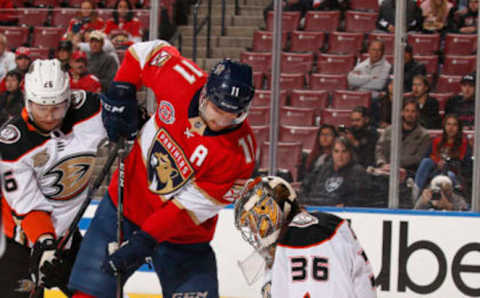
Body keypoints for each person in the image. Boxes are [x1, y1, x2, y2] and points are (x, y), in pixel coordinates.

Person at [67, 40, 257, 297]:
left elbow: (184, 210)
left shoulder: (239, 155)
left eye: (230, 116)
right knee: (87, 293)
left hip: (184, 237)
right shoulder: (183, 79)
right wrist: (122, 90)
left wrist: (143, 242)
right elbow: (145, 52)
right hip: (125, 205)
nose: (219, 121)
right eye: (216, 109)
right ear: (205, 93)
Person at [0, 59, 107, 297]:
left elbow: (120, 113)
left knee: (94, 292)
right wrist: (45, 244)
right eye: (41, 108)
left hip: (67, 236)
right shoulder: (11, 144)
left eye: (57, 107)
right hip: (20, 243)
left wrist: (130, 117)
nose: (49, 116)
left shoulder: (88, 110)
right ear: (28, 101)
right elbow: (27, 207)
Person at [234, 176, 377, 298]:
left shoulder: (304, 236)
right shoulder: (329, 225)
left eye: (254, 224)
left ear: (271, 214)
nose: (255, 234)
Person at [412, 114, 472, 199]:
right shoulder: (437, 141)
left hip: (454, 174)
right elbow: (427, 157)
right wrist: (437, 163)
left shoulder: (464, 143)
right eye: (448, 124)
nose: (451, 127)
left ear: (459, 127)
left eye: (454, 125)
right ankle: (415, 193)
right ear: (444, 126)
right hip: (436, 172)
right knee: (426, 161)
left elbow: (466, 165)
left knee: (450, 175)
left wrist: (448, 164)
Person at [301, 137, 370, 207]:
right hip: (314, 206)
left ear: (350, 153)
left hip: (339, 212)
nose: (340, 156)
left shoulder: (358, 171)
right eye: (336, 151)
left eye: (344, 151)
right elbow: (305, 187)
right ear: (332, 153)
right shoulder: (322, 168)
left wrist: (347, 205)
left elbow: (361, 197)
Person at [375, 98, 431, 175]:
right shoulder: (389, 130)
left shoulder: (424, 135)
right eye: (407, 111)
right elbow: (380, 149)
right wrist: (382, 163)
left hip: (408, 172)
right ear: (402, 112)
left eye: (413, 111)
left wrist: (395, 165)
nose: (409, 114)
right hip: (385, 169)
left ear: (417, 113)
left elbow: (419, 158)